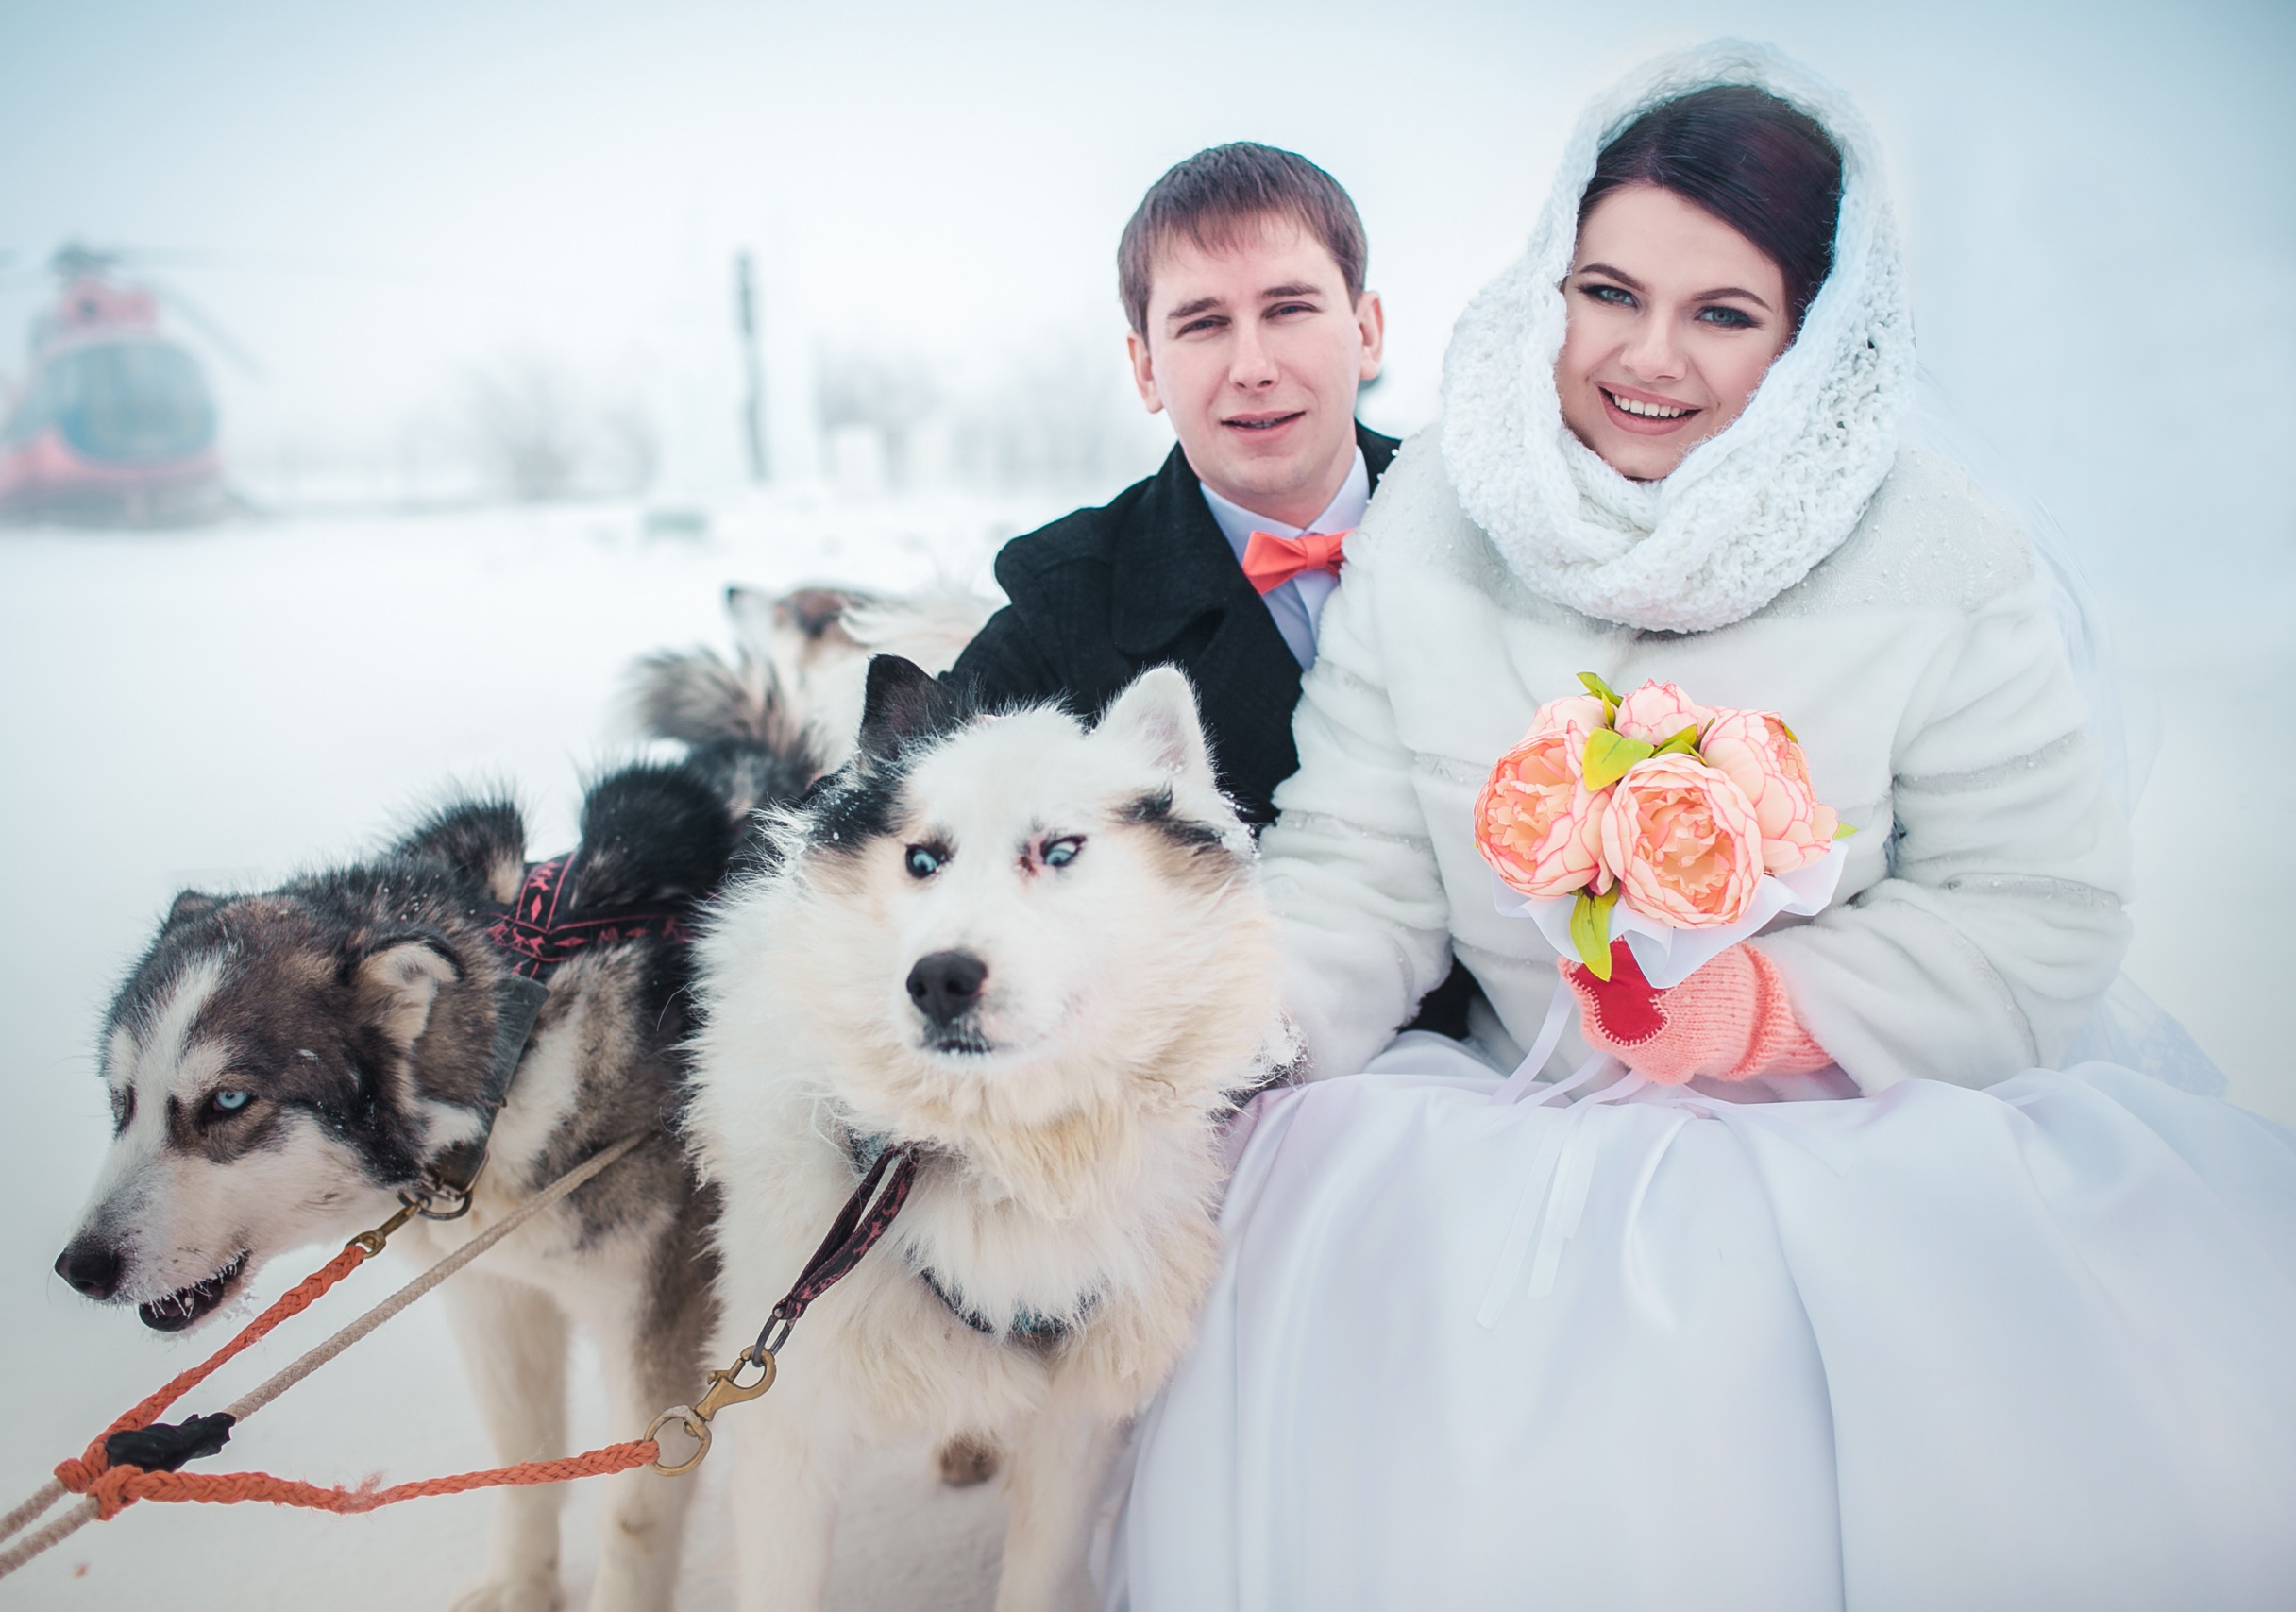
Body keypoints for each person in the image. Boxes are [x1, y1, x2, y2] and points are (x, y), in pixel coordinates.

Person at [1106, 43, 2296, 1611]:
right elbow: (1360, 871)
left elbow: (2040, 908)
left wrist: (1777, 1002)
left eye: (1722, 313)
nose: (1644, 357)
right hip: (1513, 1110)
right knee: (1339, 1256)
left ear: (1810, 336)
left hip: (1848, 1127)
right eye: (1608, 292)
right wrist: (1218, 1039)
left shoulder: (1937, 553)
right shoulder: (1446, 521)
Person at [949, 142, 1391, 832]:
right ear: (1147, 368)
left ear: (1367, 332)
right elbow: (868, 819)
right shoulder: (1068, 606)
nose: (1253, 366)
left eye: (1289, 309)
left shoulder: (1497, 520)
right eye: (1204, 324)